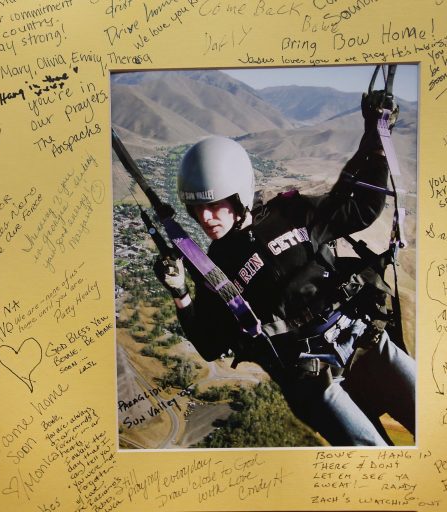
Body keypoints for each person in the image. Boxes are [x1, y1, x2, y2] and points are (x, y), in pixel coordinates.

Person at [153, 91, 416, 446]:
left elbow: (362, 208)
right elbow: (210, 342)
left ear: (237, 195)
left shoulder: (292, 214)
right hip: (311, 376)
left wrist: (378, 132)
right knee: (373, 454)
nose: (206, 218)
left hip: (361, 338)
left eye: (215, 205)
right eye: (198, 210)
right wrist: (181, 293)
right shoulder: (215, 267)